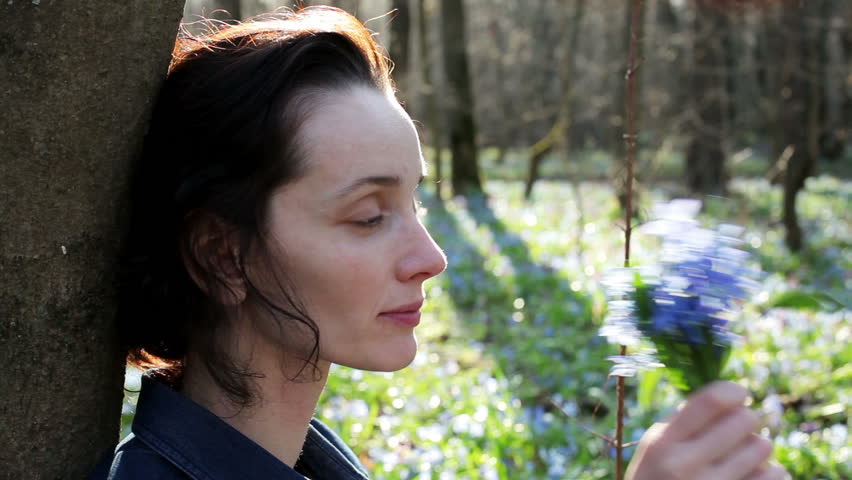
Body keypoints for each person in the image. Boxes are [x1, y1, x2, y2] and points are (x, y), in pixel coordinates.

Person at [91, 7, 788, 480]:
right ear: (221, 254)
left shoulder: (300, 457)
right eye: (369, 216)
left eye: (414, 201)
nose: (432, 257)